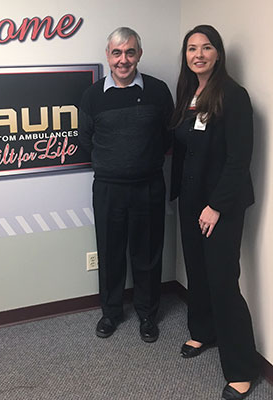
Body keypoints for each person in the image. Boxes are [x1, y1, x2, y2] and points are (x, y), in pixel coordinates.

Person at [170, 25, 260, 399]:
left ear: (218, 53)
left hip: (221, 205)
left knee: (223, 282)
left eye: (206, 47)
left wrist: (216, 206)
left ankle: (242, 369)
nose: (199, 54)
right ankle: (203, 332)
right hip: (191, 201)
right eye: (192, 48)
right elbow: (184, 145)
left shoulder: (233, 95)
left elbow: (239, 159)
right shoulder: (188, 93)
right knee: (197, 271)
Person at [79, 27, 173, 342]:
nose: (123, 60)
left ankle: (147, 315)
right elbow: (85, 139)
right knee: (110, 253)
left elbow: (168, 136)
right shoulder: (93, 96)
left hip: (149, 186)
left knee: (148, 254)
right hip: (108, 188)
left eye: (130, 52)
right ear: (108, 55)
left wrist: (142, 161)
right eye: (117, 53)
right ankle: (111, 312)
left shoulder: (158, 91)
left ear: (139, 55)